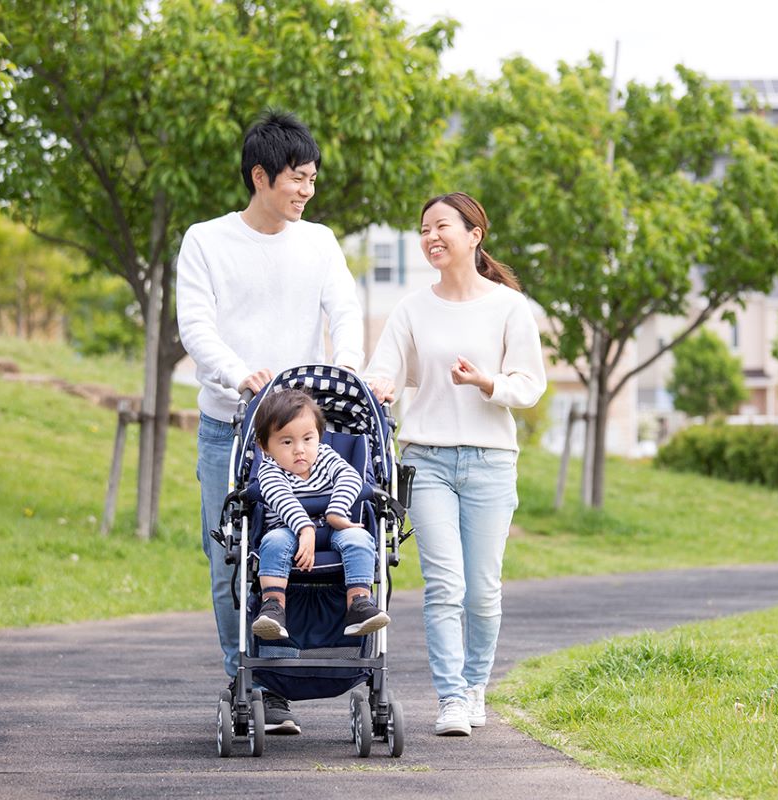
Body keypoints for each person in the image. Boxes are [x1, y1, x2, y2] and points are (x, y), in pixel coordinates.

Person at [176, 111, 363, 735]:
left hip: (303, 435)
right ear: (261, 176)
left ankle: (287, 682)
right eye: (297, 178)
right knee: (231, 554)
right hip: (229, 427)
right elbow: (196, 327)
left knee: (312, 551)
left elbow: (346, 311)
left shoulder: (320, 242)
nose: (307, 190)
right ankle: (249, 679)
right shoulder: (206, 241)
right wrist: (241, 373)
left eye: (312, 178)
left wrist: (350, 371)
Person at [365, 192, 547, 736]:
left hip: (491, 461)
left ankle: (474, 688)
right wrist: (381, 385)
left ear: (474, 234)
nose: (430, 237)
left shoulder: (510, 307)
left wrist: (486, 382)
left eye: (441, 226)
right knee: (445, 585)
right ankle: (449, 699)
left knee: (483, 588)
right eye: (423, 230)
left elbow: (530, 385)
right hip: (428, 460)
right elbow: (385, 371)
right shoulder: (411, 308)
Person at [250, 388, 390, 639]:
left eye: (308, 439)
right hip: (288, 530)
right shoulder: (270, 471)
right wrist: (305, 528)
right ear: (265, 447)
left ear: (319, 437)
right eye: (287, 441)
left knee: (360, 539)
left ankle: (359, 603)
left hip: (335, 527)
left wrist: (336, 512)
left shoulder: (326, 457)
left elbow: (351, 478)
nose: (299, 450)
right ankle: (273, 606)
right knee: (272, 542)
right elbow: (282, 500)